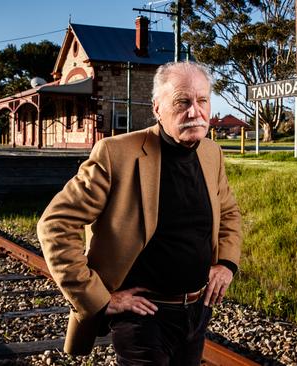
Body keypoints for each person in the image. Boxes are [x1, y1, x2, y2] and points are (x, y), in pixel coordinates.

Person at [37, 61, 242, 365]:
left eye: (202, 101)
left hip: (197, 311)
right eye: (182, 102)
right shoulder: (117, 153)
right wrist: (101, 298)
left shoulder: (211, 153)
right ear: (158, 108)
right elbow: (55, 224)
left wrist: (226, 264)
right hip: (142, 317)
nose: (194, 111)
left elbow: (228, 213)